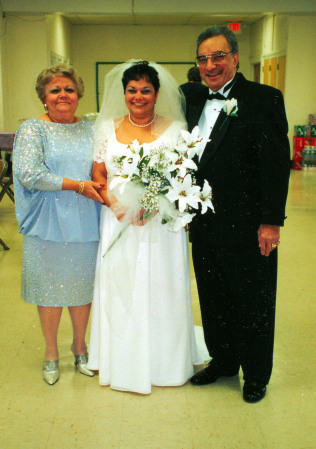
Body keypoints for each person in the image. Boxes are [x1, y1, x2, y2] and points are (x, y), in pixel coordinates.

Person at [186, 26, 290, 403]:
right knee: (213, 297)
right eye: (203, 59)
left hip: (249, 226)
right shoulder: (191, 98)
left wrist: (270, 221)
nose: (210, 65)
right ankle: (224, 361)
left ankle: (256, 373)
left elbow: (277, 164)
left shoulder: (264, 99)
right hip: (203, 222)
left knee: (255, 300)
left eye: (218, 57)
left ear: (235, 58)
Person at [87, 60, 205, 394]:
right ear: (124, 93)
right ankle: (121, 359)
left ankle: (165, 362)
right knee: (121, 288)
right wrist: (117, 205)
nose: (138, 97)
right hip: (117, 219)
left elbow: (182, 175)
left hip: (159, 223)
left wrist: (154, 204)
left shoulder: (174, 127)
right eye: (132, 90)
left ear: (157, 94)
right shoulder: (106, 128)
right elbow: (98, 175)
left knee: (160, 286)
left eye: (146, 91)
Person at [13, 64, 104, 385]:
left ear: (78, 94)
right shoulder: (32, 130)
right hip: (47, 221)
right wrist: (77, 185)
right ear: (44, 97)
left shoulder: (92, 128)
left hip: (85, 220)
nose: (62, 95)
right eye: (55, 90)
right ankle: (51, 352)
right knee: (49, 288)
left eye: (68, 89)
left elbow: (103, 167)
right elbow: (29, 174)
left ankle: (80, 347)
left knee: (81, 287)